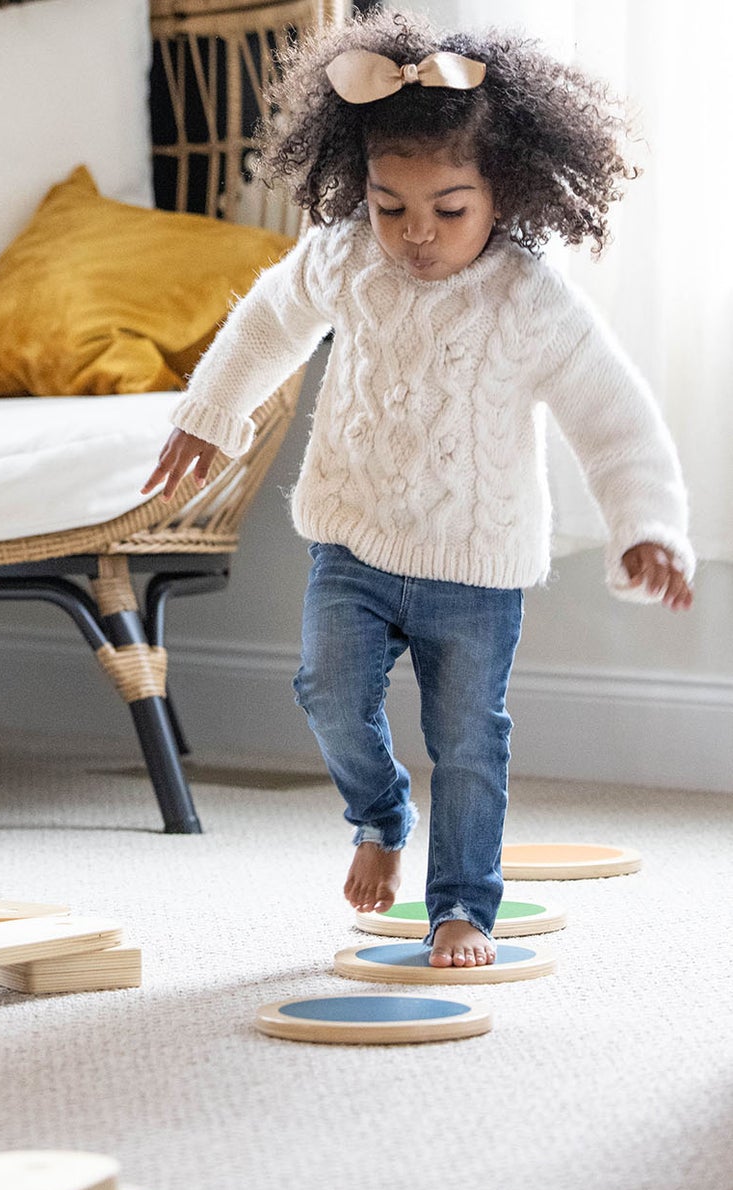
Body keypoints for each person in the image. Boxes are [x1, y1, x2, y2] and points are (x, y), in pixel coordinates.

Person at [141, 10, 695, 968]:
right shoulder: (343, 255)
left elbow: (612, 415)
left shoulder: (529, 299)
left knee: (468, 744)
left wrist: (644, 522)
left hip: (474, 569)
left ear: (502, 192)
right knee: (323, 688)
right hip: (351, 541)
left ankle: (461, 909)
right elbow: (266, 323)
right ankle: (379, 812)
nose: (415, 235)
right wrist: (209, 413)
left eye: (448, 208)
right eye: (389, 204)